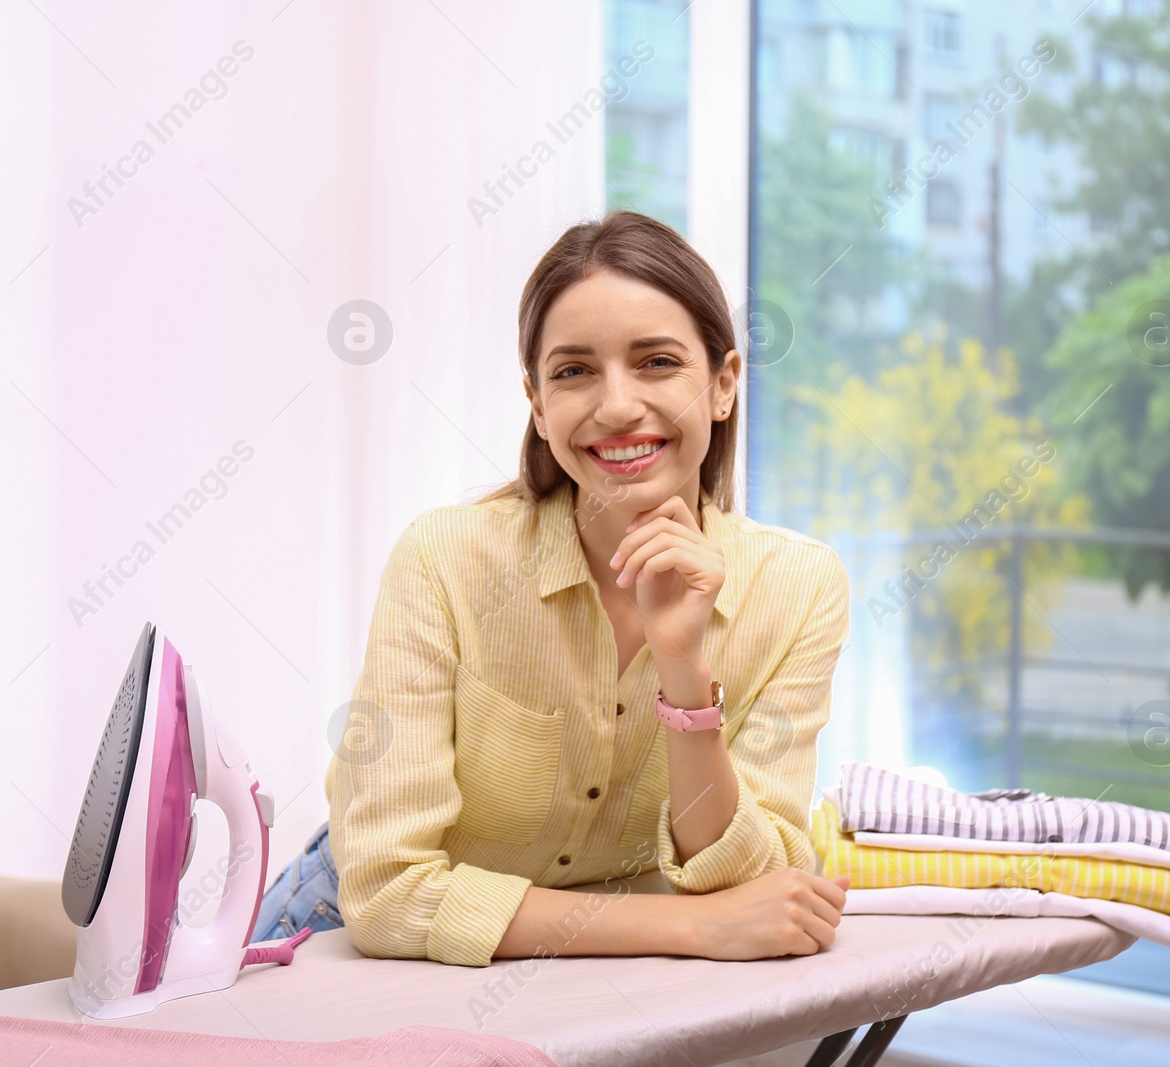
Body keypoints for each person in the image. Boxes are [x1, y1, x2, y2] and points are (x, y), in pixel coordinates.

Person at [252, 209, 853, 967]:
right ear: (539, 405)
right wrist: (689, 928)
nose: (616, 405)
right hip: (339, 945)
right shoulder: (444, 559)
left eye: (657, 361)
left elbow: (755, 886)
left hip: (565, 980)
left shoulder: (800, 587)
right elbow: (387, 893)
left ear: (724, 383)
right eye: (574, 372)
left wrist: (684, 673)